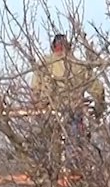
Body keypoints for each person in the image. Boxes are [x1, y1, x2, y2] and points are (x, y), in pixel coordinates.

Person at [30, 33, 106, 162]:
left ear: (53, 47)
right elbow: (98, 89)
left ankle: (41, 168)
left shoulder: (44, 64)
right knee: (74, 146)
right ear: (69, 47)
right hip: (73, 112)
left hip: (48, 112)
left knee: (41, 145)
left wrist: (37, 105)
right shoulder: (78, 65)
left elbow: (35, 89)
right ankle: (74, 167)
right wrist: (99, 110)